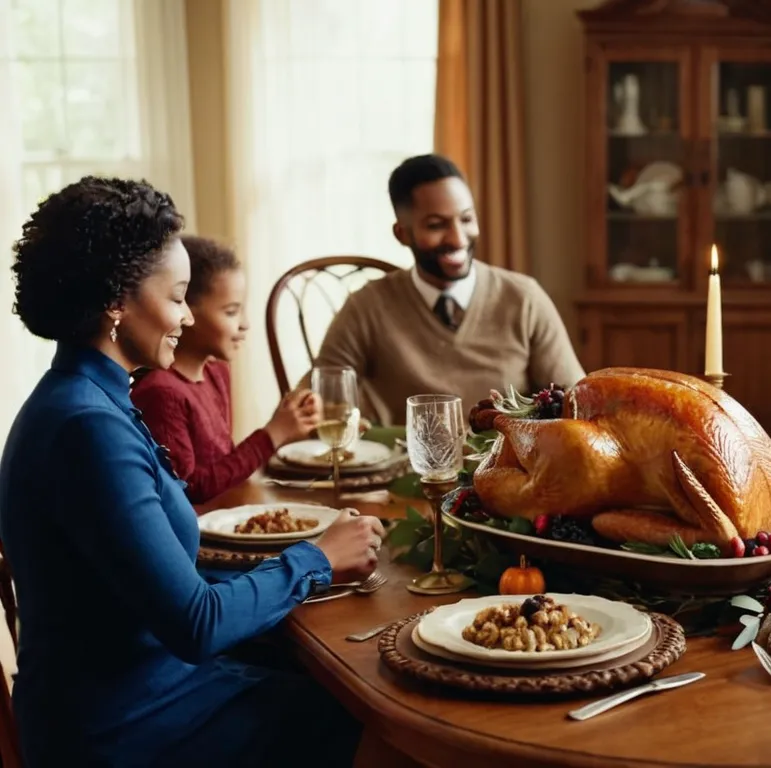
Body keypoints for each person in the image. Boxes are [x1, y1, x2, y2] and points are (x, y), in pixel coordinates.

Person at [0, 176, 384, 766]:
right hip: (124, 725)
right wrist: (316, 559)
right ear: (116, 302)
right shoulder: (87, 429)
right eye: (178, 296)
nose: (185, 316)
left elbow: (158, 583)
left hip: (141, 692)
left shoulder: (84, 399)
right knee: (372, 719)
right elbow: (196, 624)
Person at [311, 154, 585, 424]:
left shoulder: (524, 298)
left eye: (466, 219)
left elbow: (578, 403)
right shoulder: (367, 307)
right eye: (436, 225)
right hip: (405, 466)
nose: (457, 238)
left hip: (510, 466)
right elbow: (315, 402)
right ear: (402, 234)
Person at [131, 235, 320, 504]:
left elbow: (224, 465)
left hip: (229, 511)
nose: (245, 324)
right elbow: (188, 490)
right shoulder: (162, 392)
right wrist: (271, 435)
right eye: (231, 312)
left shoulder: (216, 371)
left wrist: (291, 428)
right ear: (186, 312)